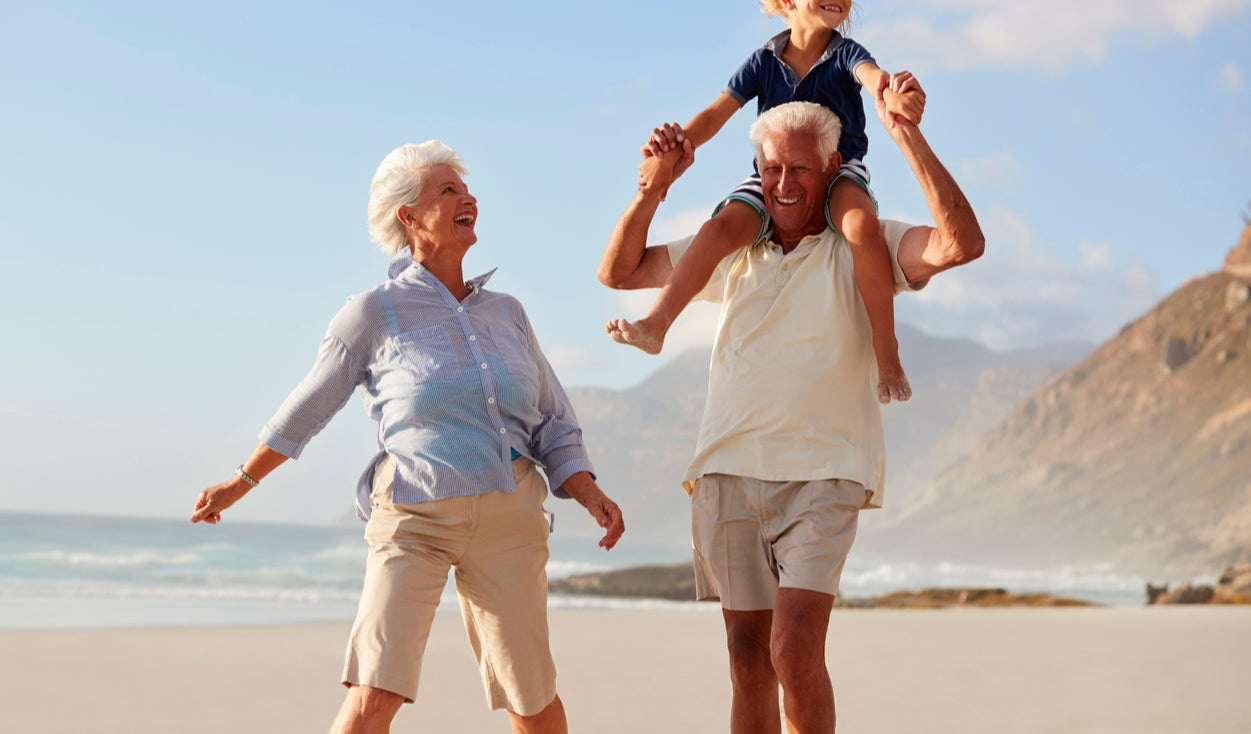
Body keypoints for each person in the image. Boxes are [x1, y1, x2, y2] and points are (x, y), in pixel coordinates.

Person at [191, 140, 624, 734]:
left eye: (466, 190)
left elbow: (552, 418)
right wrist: (241, 480)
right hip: (414, 516)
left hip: (509, 521)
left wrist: (588, 489)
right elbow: (310, 403)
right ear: (409, 218)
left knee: (533, 699)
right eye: (447, 190)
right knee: (376, 692)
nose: (466, 197)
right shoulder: (373, 313)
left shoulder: (509, 313)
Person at [597, 100, 983, 732]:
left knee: (794, 649)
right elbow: (619, 272)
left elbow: (960, 244)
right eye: (770, 168)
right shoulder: (735, 244)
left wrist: (907, 134)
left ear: (833, 167)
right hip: (726, 471)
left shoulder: (869, 245)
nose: (783, 184)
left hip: (825, 475)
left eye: (800, 169)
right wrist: (652, 187)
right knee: (748, 662)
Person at [605, 0, 924, 404]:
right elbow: (714, 115)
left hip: (840, 168)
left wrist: (893, 95)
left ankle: (888, 354)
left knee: (861, 227)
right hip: (775, 175)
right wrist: (670, 151)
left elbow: (874, 78)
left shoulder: (847, 54)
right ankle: (657, 322)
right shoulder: (763, 61)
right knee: (716, 229)